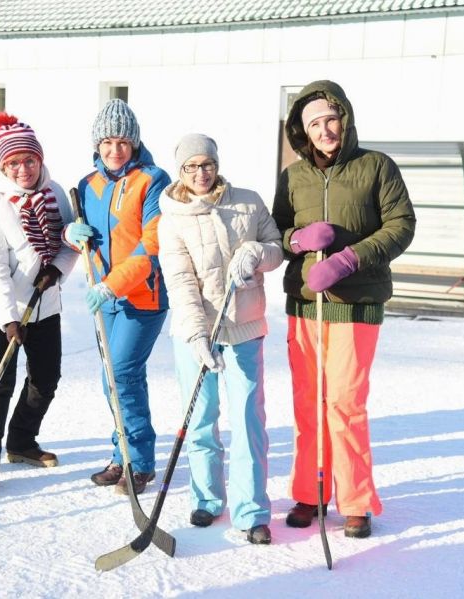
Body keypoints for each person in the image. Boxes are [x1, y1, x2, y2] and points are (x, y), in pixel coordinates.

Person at [272, 80, 416, 538]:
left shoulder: (376, 166)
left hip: (357, 304)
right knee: (307, 403)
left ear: (344, 118)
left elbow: (402, 225)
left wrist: (349, 258)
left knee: (345, 403)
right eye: (314, 124)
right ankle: (310, 492)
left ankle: (356, 500)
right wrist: (297, 240)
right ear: (303, 130)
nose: (324, 130)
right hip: (305, 305)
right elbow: (275, 230)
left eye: (330, 119)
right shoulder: (293, 176)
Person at [158, 133, 284, 545]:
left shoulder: (247, 201)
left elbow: (276, 247)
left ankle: (251, 511)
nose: (200, 173)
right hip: (196, 332)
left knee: (248, 419)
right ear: (180, 171)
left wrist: (255, 254)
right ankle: (207, 498)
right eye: (191, 167)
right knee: (201, 418)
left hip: (244, 326)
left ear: (217, 164)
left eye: (206, 164)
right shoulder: (172, 216)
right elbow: (179, 281)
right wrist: (195, 334)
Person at [63, 99, 171, 495]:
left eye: (122, 141)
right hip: (103, 299)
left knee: (123, 372)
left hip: (142, 297)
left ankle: (139, 463)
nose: (114, 150)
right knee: (111, 379)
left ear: (135, 142)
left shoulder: (153, 180)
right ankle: (120, 451)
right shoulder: (88, 185)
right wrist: (69, 237)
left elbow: (152, 245)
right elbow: (85, 235)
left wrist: (114, 284)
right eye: (107, 142)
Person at [0, 113, 79, 500]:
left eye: (29, 160)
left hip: (45, 303)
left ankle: (21, 439)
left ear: (40, 159)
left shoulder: (57, 194)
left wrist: (57, 268)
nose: (23, 169)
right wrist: (9, 320)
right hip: (1, 312)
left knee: (45, 378)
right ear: (3, 166)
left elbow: (70, 241)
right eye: (13, 163)